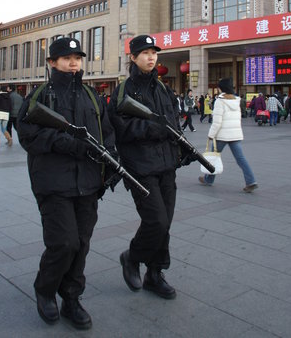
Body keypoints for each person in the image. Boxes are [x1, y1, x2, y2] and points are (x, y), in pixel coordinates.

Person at [17, 37, 116, 329]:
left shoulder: (92, 96)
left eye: (77, 58)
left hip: (87, 182)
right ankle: (45, 290)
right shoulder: (39, 97)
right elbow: (28, 135)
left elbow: (107, 132)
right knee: (63, 243)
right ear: (52, 63)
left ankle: (71, 297)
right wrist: (67, 143)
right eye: (66, 58)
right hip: (53, 184)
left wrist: (110, 157)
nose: (73, 63)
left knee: (81, 244)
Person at [108, 35, 180, 300]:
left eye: (154, 53)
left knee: (165, 223)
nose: (151, 57)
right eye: (145, 53)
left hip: (166, 165)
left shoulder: (162, 89)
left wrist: (179, 146)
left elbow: (173, 120)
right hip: (140, 167)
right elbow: (121, 127)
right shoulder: (124, 90)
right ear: (133, 57)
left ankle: (155, 273)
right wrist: (154, 128)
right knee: (156, 221)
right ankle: (132, 256)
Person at [198, 78, 258, 192]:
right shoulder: (237, 100)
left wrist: (211, 135)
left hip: (222, 135)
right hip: (235, 135)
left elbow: (217, 122)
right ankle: (251, 181)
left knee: (213, 157)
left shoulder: (220, 101)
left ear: (222, 88)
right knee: (241, 159)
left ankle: (208, 179)